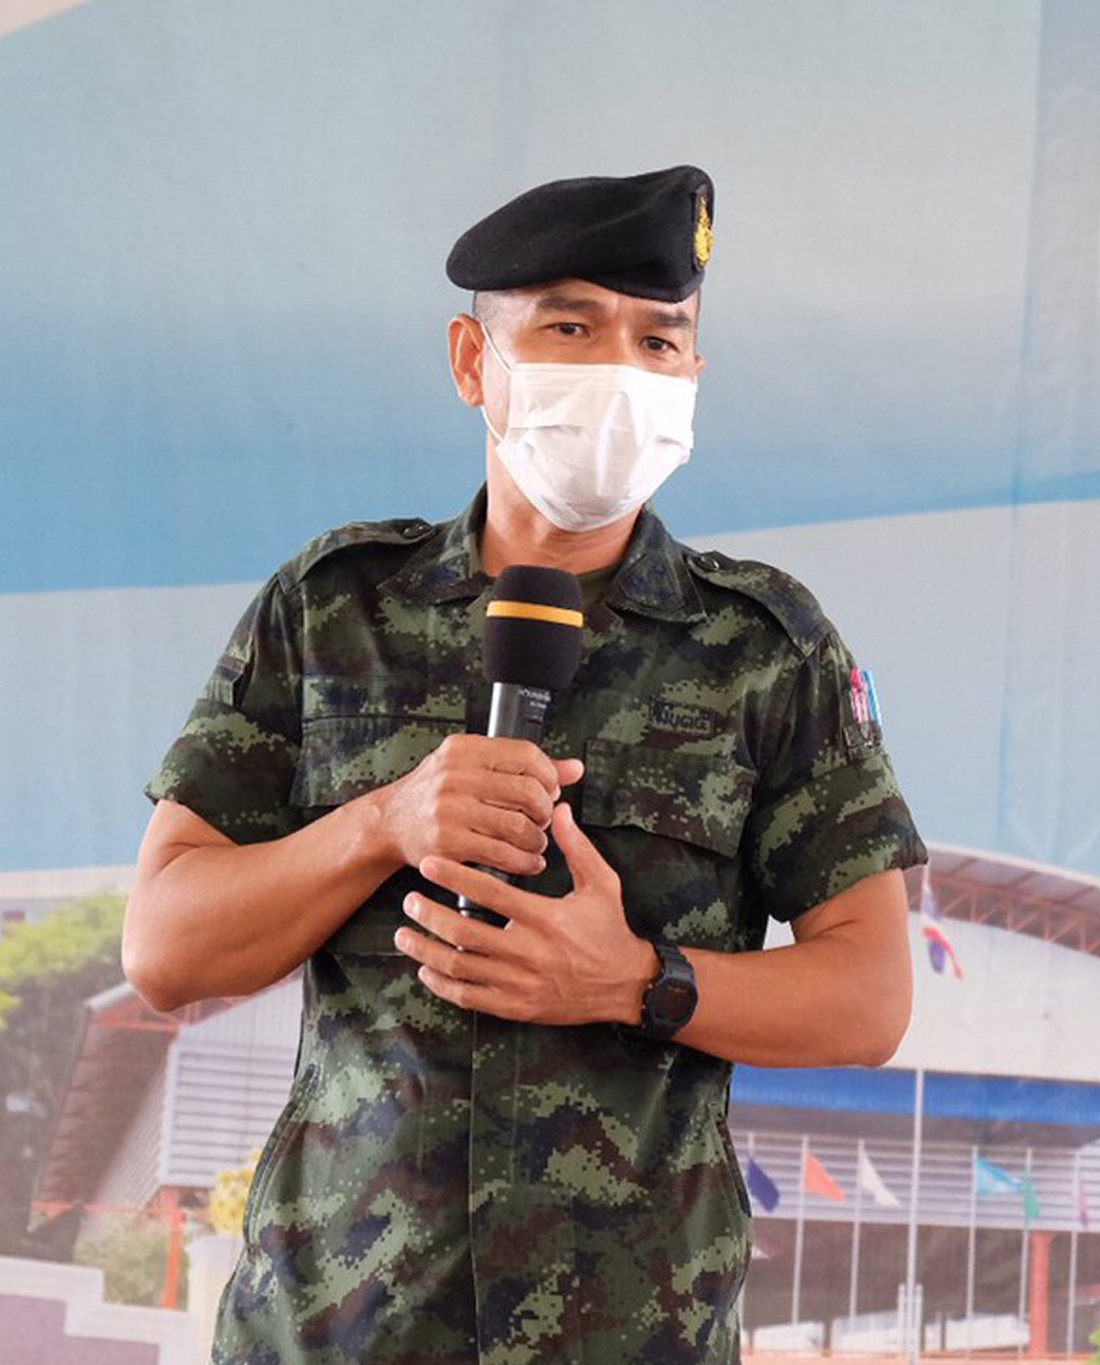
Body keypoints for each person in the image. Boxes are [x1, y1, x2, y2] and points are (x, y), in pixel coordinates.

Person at [121, 164, 928, 1364]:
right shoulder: (332, 607)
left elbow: (868, 997)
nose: (617, 370)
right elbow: (166, 951)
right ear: (471, 361)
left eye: (659, 340)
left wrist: (637, 983)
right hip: (338, 1329)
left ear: (691, 379)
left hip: (631, 1333)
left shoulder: (766, 648)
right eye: (570, 325)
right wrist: (381, 823)